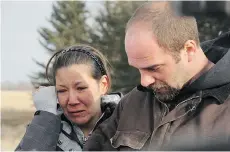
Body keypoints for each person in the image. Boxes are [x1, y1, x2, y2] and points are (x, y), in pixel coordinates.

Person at [83, 2, 230, 151]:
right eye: (138, 69)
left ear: (189, 50)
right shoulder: (131, 104)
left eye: (153, 68)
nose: (144, 82)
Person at [15, 45, 122, 151]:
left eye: (81, 88)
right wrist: (44, 122)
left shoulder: (130, 126)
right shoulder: (45, 129)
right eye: (62, 91)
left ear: (103, 85)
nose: (72, 101)